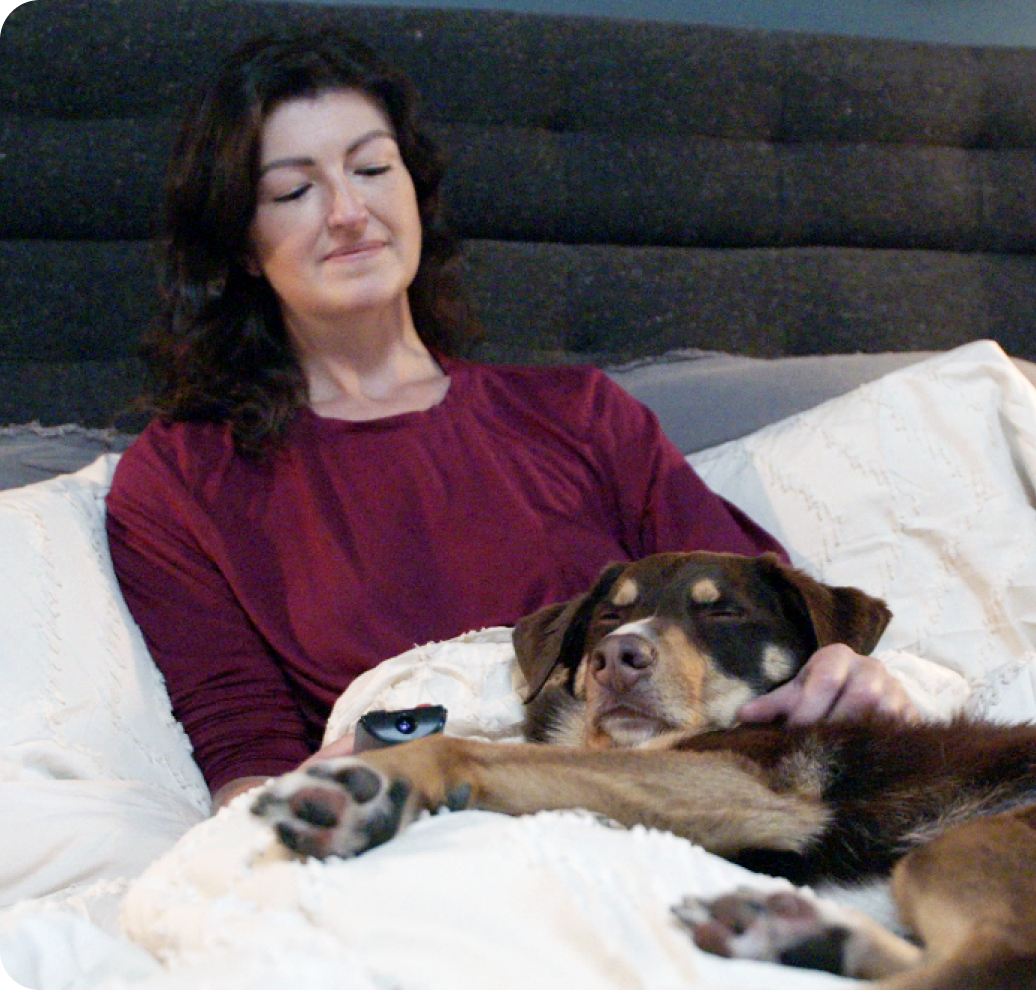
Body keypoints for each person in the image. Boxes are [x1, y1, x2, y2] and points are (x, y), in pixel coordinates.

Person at [105, 30, 916, 813]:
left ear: (413, 192)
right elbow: (245, 758)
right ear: (242, 244)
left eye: (372, 169)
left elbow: (751, 606)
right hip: (420, 824)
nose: (349, 212)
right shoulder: (179, 480)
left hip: (653, 800)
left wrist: (843, 674)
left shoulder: (581, 415)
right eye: (293, 190)